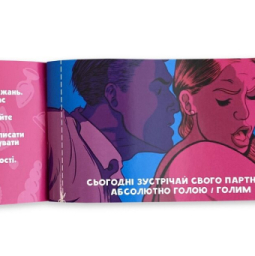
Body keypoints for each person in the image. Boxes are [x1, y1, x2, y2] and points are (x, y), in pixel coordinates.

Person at [144, 58, 255, 202]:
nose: (244, 112)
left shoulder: (171, 162)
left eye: (253, 95)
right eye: (224, 98)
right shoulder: (198, 158)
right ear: (188, 103)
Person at [48, 59, 179, 202]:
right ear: (113, 95)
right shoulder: (56, 136)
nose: (176, 105)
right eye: (159, 90)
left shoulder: (110, 185)